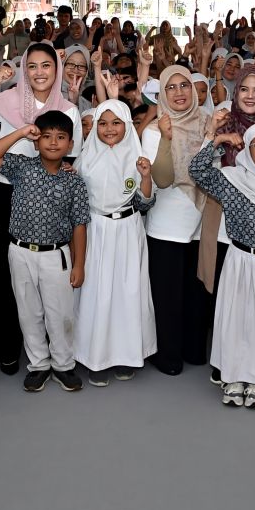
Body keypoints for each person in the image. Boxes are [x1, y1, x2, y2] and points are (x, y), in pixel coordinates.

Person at [0, 110, 90, 393]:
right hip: (20, 252)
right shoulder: (22, 167)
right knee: (29, 312)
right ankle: (39, 364)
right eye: (46, 136)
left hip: (57, 255)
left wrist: (79, 265)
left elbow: (80, 224)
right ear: (36, 141)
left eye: (61, 137)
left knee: (60, 313)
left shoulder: (74, 181)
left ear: (71, 143)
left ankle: (64, 365)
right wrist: (20, 132)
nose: (53, 143)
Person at [190, 122, 255, 409]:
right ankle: (233, 377)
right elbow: (196, 171)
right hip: (238, 260)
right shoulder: (232, 178)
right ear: (246, 149)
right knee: (235, 320)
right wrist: (218, 139)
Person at [73, 99, 156, 384]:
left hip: (128, 230)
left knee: (126, 292)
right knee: (97, 292)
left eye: (116, 123)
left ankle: (125, 355)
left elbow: (145, 201)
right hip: (96, 231)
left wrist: (146, 178)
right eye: (103, 123)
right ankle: (95, 357)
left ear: (127, 126)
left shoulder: (137, 156)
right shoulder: (85, 159)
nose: (109, 129)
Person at [140, 66, 213, 375]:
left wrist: (212, 139)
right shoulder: (154, 130)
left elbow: (213, 171)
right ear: (163, 95)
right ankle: (168, 354)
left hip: (202, 221)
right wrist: (168, 139)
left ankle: (193, 349)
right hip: (166, 223)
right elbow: (162, 178)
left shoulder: (208, 124)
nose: (180, 92)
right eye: (172, 88)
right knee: (167, 294)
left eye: (185, 85)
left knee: (196, 291)